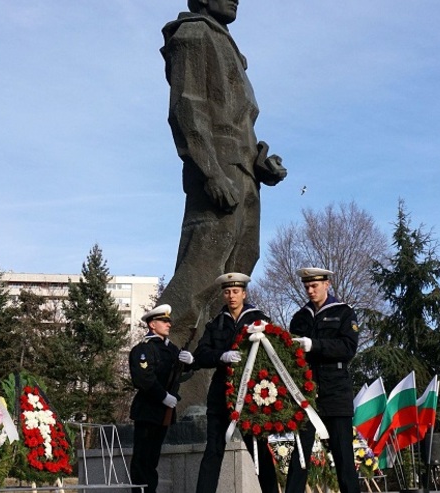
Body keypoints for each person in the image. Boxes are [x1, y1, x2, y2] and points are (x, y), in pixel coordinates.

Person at [157, 0, 288, 354]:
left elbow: (239, 123)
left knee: (237, 274)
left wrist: (261, 161)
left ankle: (206, 378)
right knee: (201, 272)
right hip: (218, 172)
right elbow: (186, 109)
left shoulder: (228, 45)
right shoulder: (195, 33)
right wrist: (210, 171)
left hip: (245, 175)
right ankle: (161, 360)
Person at [192, 273, 278, 493]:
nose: (231, 296)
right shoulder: (216, 322)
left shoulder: (258, 319)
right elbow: (201, 354)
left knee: (258, 448)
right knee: (213, 450)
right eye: (227, 292)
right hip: (222, 390)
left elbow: (274, 353)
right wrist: (222, 355)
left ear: (244, 293)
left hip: (251, 393)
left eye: (236, 291)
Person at [285, 268, 359, 493]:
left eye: (314, 285)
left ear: (327, 284)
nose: (310, 290)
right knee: (299, 455)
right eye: (307, 286)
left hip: (335, 390)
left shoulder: (344, 313)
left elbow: (348, 348)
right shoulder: (300, 317)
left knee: (343, 456)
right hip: (306, 392)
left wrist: (314, 345)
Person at [128, 304, 194, 493]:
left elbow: (178, 371)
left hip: (163, 412)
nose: (168, 324)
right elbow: (143, 378)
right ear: (152, 325)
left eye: (169, 321)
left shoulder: (170, 349)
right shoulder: (143, 350)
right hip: (148, 411)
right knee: (143, 460)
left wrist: (190, 361)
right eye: (163, 321)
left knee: (152, 458)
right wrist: (163, 396)